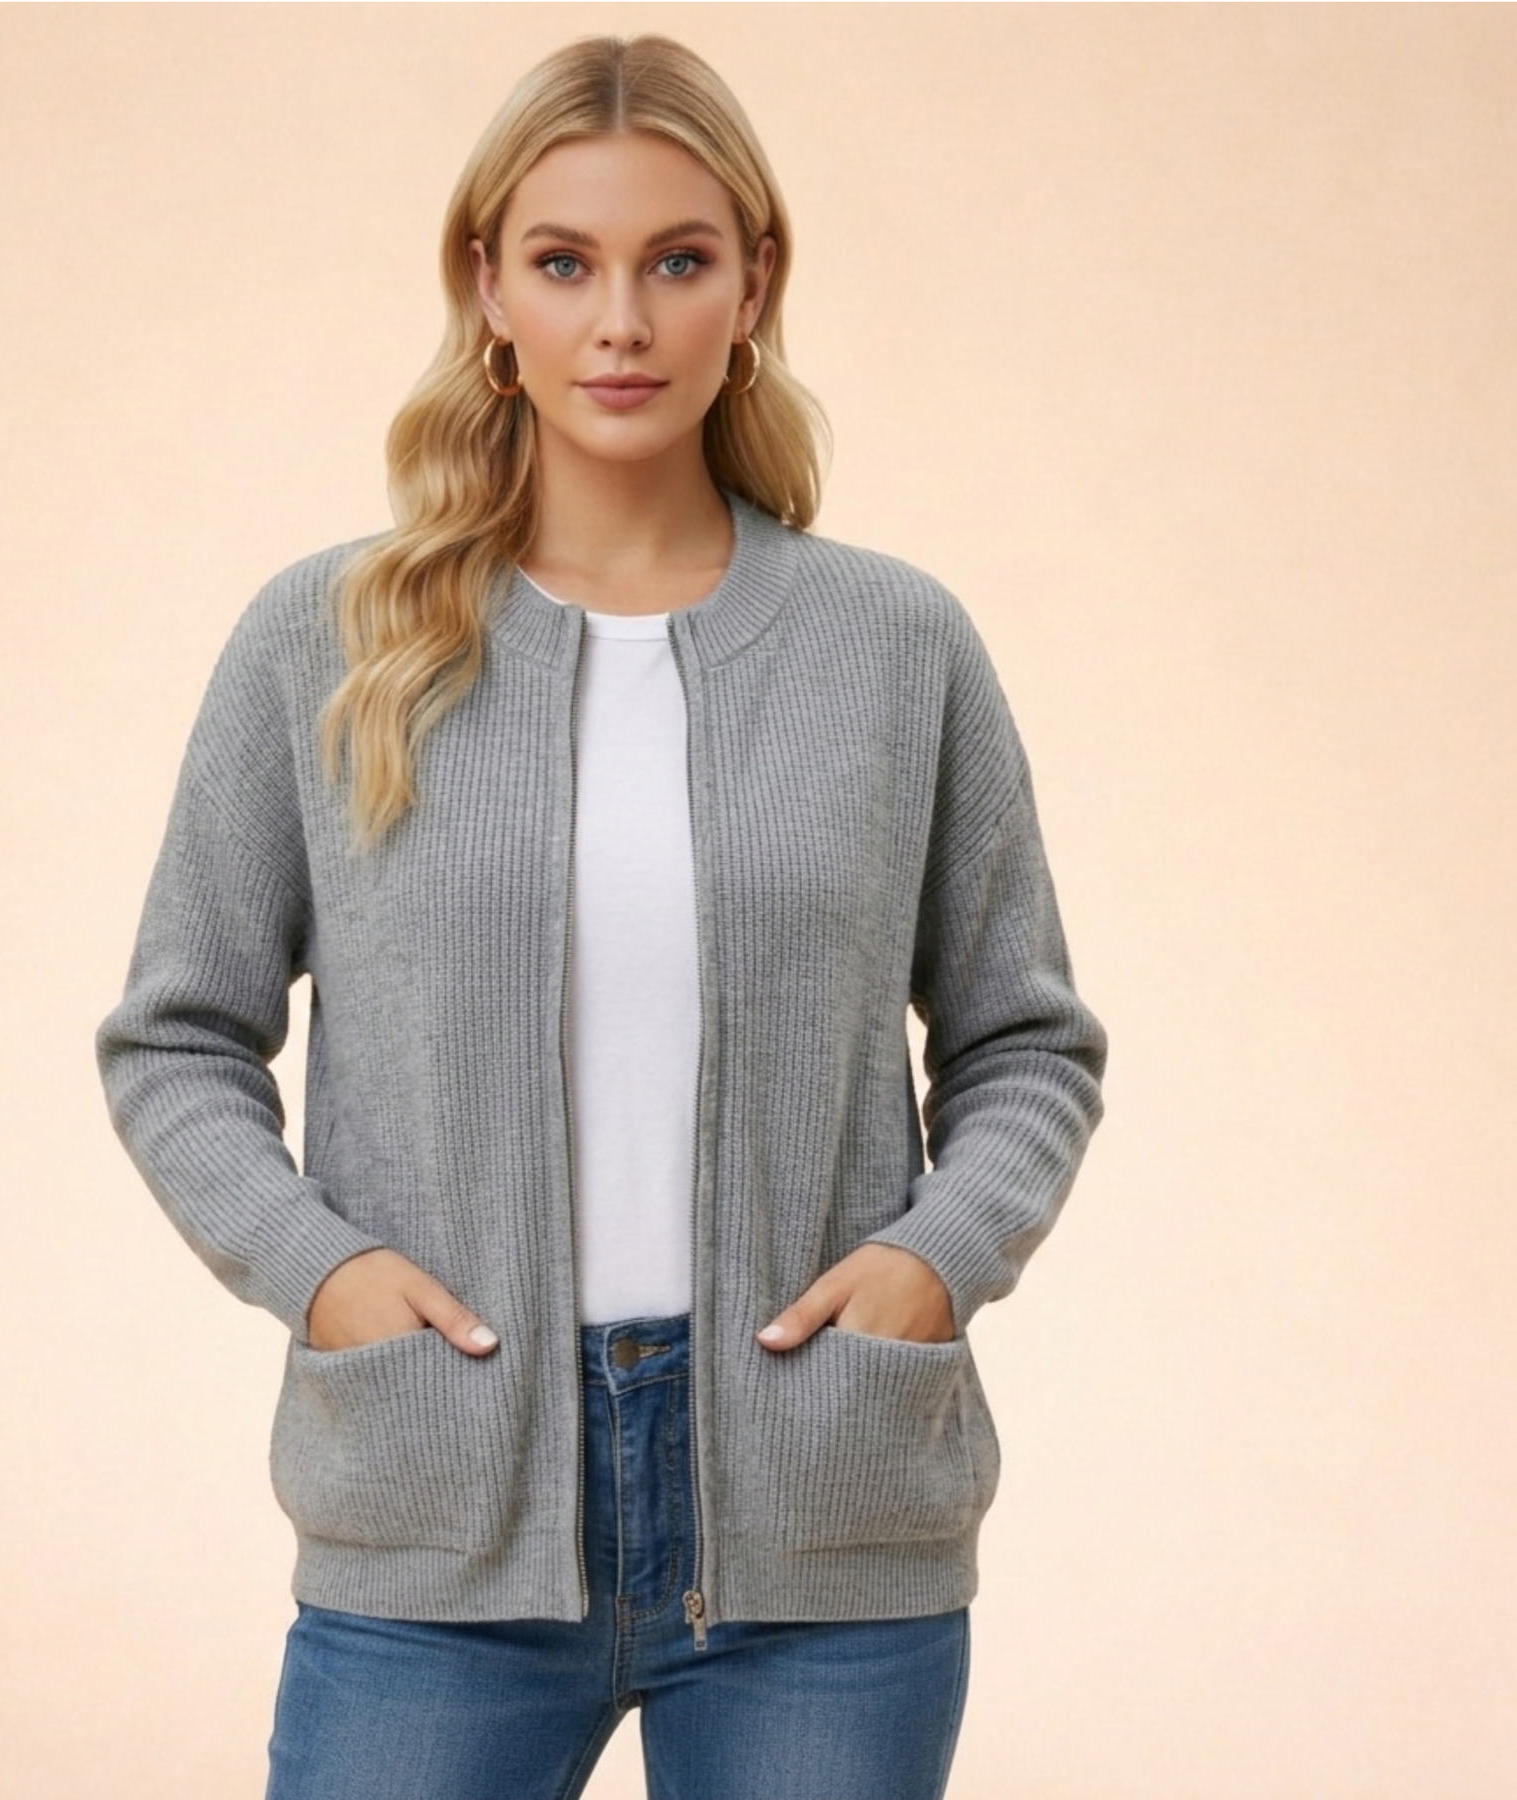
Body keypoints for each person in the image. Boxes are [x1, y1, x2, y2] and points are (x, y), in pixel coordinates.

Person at [95, 32, 1106, 1800]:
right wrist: (321, 1277)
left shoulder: (893, 648)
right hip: (442, 1502)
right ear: (487, 286)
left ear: (754, 284)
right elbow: (176, 1038)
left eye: (677, 261)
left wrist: (934, 1265)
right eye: (565, 263)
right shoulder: (328, 643)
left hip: (823, 1518)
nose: (621, 323)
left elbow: (1026, 1042)